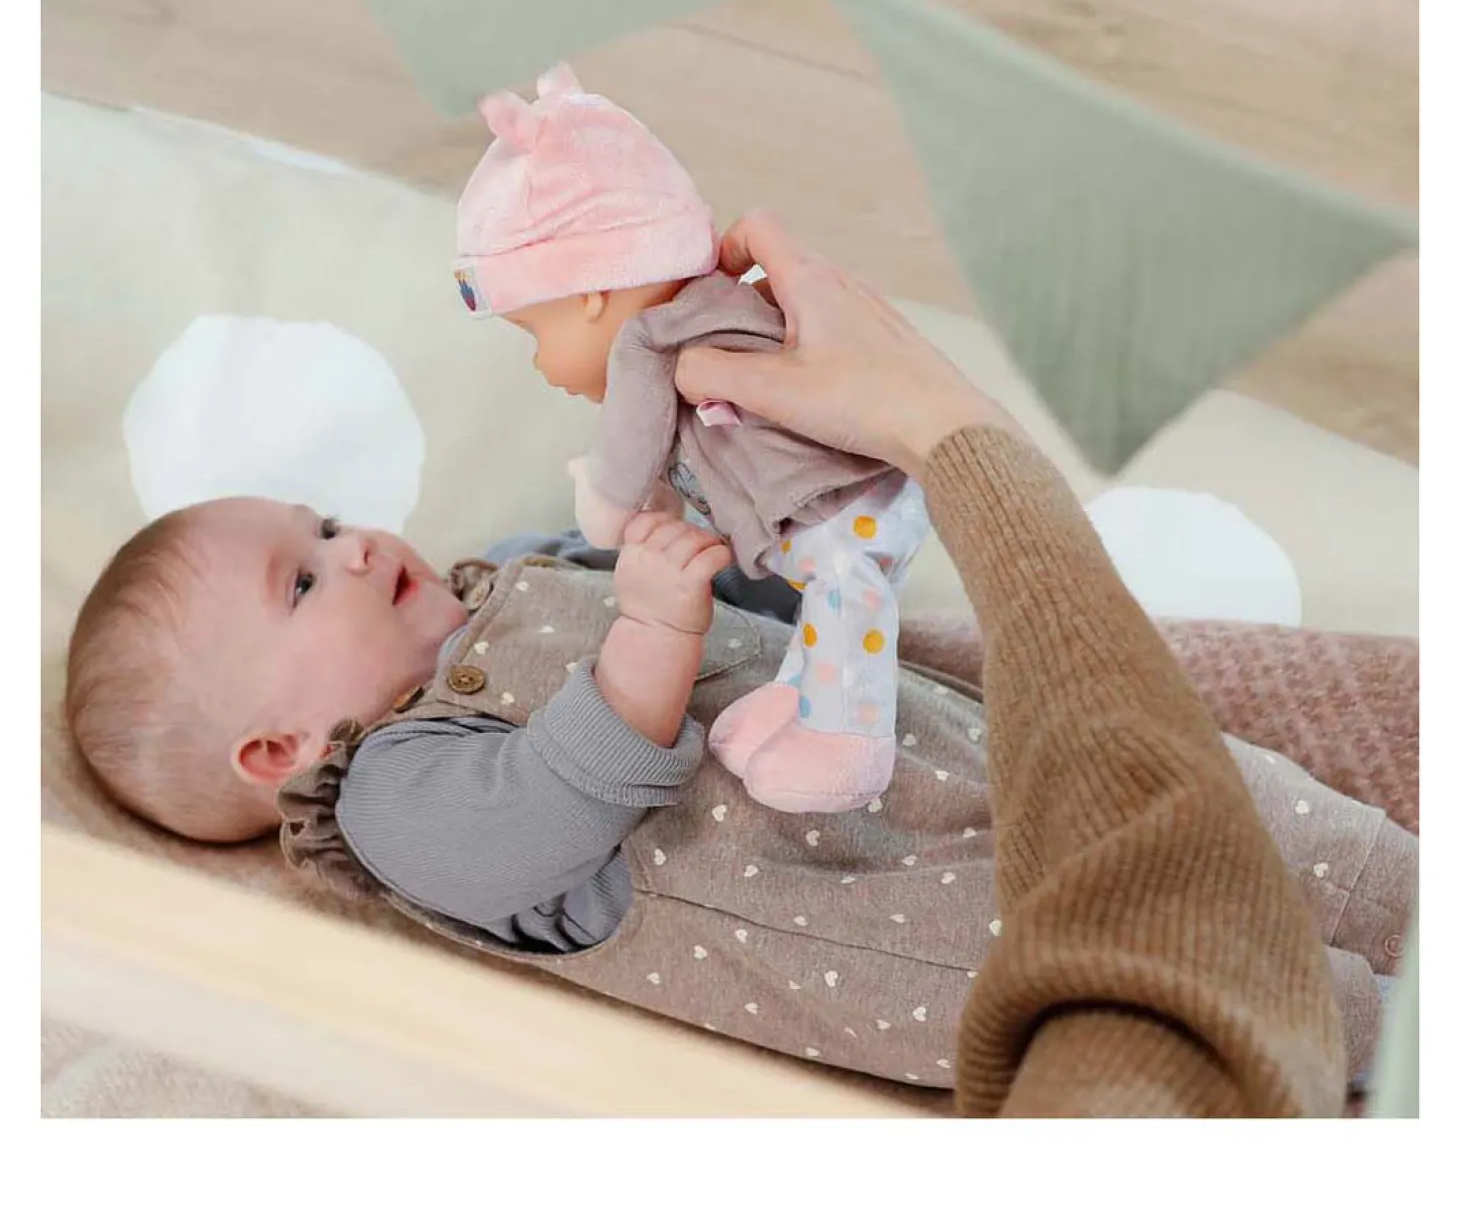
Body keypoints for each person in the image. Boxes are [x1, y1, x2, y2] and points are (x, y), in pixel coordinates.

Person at [63, 216, 1412, 1110]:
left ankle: (1395, 889)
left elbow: (741, 590)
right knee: (1149, 963)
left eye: (327, 525)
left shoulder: (514, 575)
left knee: (1226, 804)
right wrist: (653, 629)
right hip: (867, 919)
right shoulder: (385, 803)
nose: (353, 546)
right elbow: (543, 814)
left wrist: (751, 492)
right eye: (303, 581)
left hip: (927, 743)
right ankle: (1378, 1042)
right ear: (277, 749)